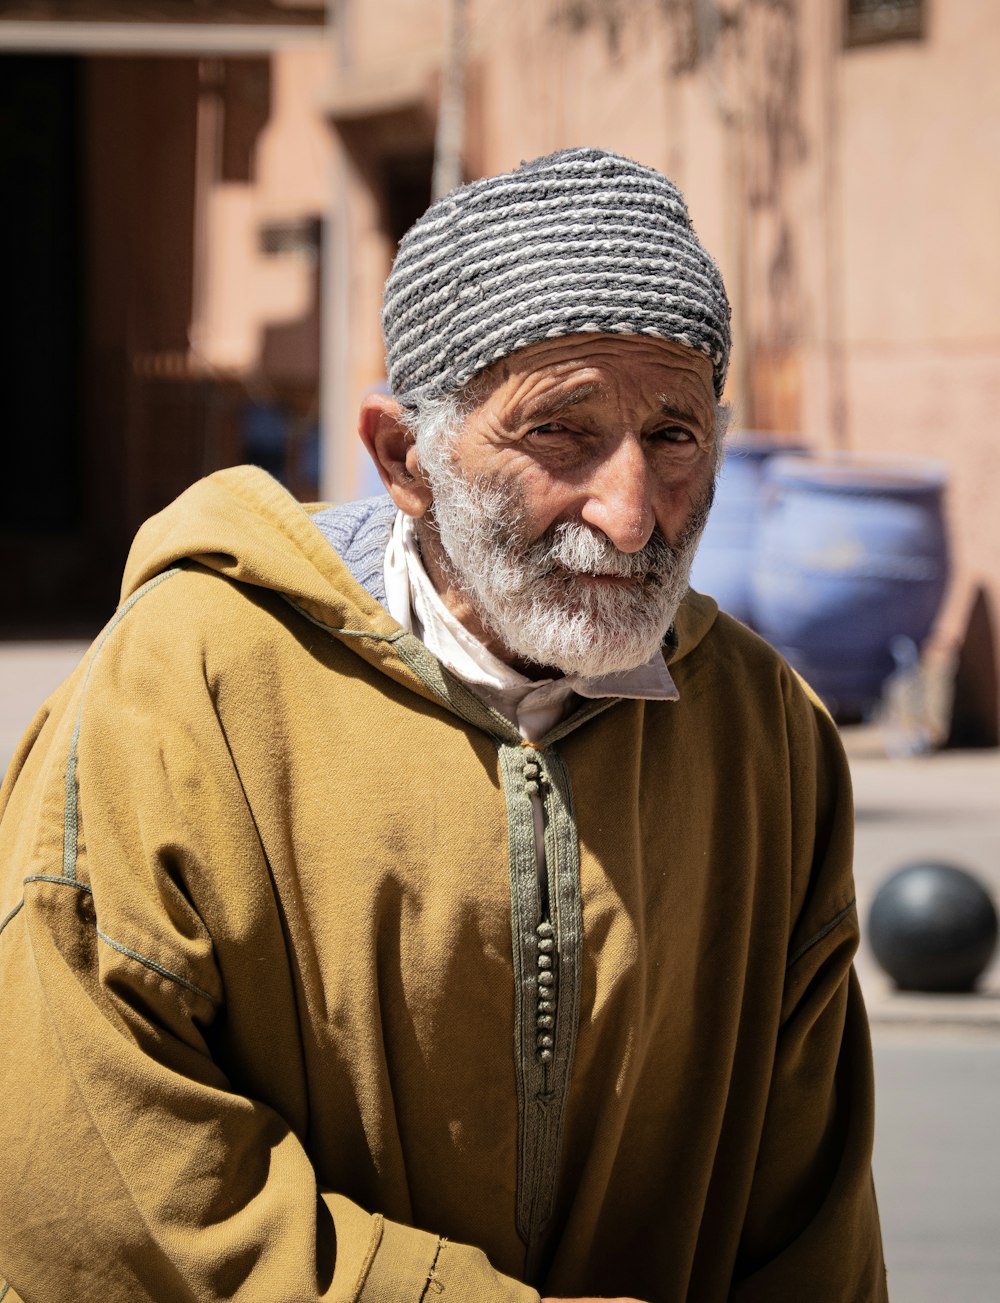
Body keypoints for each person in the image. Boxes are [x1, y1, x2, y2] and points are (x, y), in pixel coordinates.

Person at [0, 148, 887, 1302]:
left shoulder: (764, 733)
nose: (629, 518)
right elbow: (86, 1161)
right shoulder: (186, 685)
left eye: (674, 437)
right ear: (403, 457)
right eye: (561, 433)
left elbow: (807, 1211)